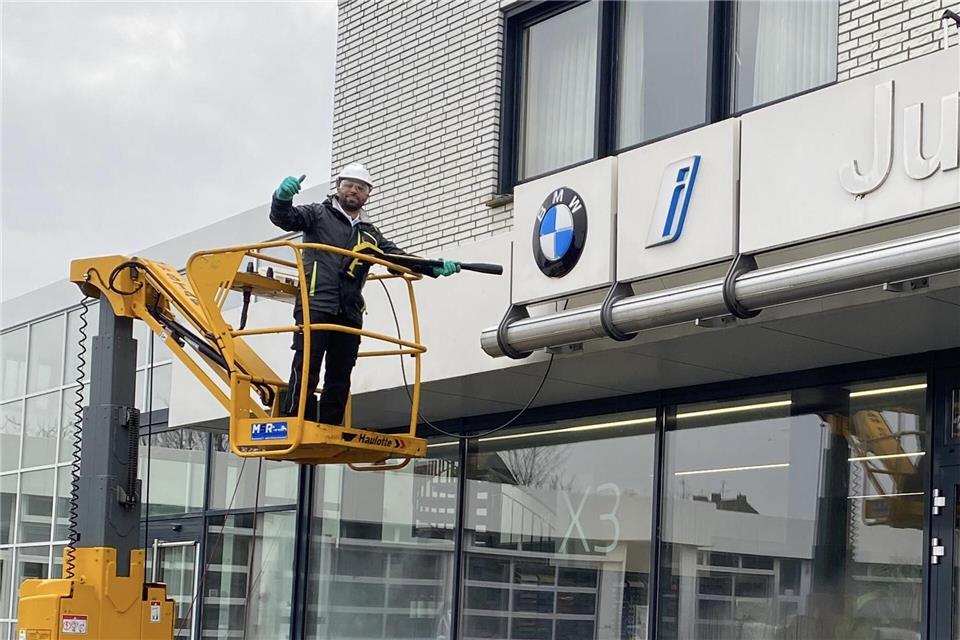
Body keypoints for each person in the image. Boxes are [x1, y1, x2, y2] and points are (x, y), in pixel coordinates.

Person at [269, 162, 459, 424]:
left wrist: (432, 267)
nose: (353, 191)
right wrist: (282, 197)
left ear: (367, 195)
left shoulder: (370, 234)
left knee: (341, 372)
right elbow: (284, 218)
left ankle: (329, 426)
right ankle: (294, 418)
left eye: (360, 188)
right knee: (307, 366)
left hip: (349, 310)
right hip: (316, 303)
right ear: (337, 188)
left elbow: (397, 257)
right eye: (348, 185)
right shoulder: (317, 215)